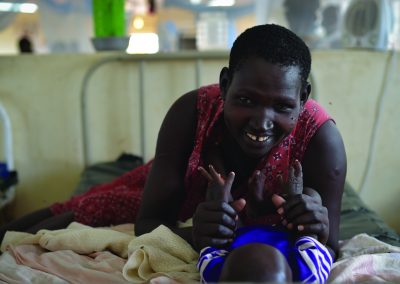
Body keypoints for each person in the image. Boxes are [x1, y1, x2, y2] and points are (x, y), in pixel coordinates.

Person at [0, 24, 346, 282]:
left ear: (303, 99)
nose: (262, 121)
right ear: (225, 85)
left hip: (229, 223)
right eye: (245, 100)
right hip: (184, 184)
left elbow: (330, 244)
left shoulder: (321, 141)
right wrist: (199, 232)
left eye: (283, 106)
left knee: (89, 209)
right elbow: (148, 223)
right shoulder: (191, 113)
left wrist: (316, 227)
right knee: (87, 208)